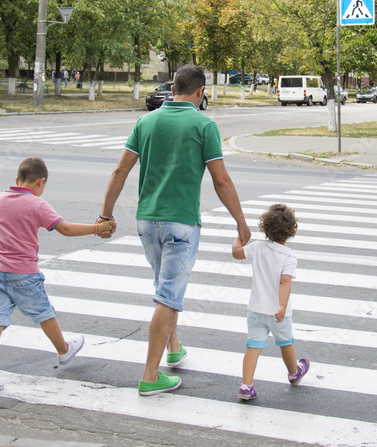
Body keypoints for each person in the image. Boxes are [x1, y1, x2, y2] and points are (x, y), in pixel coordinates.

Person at [99, 64, 250, 396]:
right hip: (181, 222)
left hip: (146, 221)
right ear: (199, 92)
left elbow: (119, 171)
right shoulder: (203, 124)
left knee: (163, 287)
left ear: (173, 89)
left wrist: (105, 215)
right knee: (168, 296)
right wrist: (241, 222)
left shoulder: (146, 121)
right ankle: (150, 376)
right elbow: (221, 179)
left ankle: (173, 348)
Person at [0, 156, 114, 395]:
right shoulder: (36, 205)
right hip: (23, 273)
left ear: (17, 179)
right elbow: (65, 229)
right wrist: (98, 228)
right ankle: (64, 350)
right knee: (44, 313)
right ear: (41, 182)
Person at [232, 203, 309, 401]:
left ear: (264, 227)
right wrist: (282, 305)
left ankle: (246, 385)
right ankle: (294, 372)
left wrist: (238, 237)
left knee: (253, 347)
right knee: (286, 343)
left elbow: (236, 253)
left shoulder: (257, 247)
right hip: (277, 312)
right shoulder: (289, 256)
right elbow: (285, 282)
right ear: (291, 231)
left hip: (256, 310)